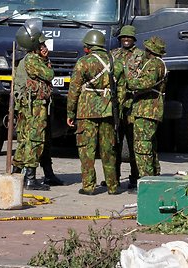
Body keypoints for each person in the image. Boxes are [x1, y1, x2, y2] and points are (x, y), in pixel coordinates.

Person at [66, 29, 124, 195]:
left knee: (86, 150)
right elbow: (121, 89)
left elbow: (74, 90)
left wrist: (70, 113)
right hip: (108, 112)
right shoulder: (115, 62)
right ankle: (113, 186)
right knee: (109, 149)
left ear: (89, 46)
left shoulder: (83, 62)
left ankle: (89, 186)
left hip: (86, 112)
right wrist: (116, 109)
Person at [12, 24, 63, 190]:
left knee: (30, 140)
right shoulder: (33, 60)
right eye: (42, 45)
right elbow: (49, 75)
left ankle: (17, 173)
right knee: (35, 139)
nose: (45, 47)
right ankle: (30, 179)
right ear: (35, 47)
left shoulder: (32, 59)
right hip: (35, 106)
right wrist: (46, 61)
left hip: (36, 105)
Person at [124, 36, 167, 186]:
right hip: (149, 109)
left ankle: (146, 181)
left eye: (147, 49)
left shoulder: (154, 64)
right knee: (150, 145)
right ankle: (154, 175)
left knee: (142, 146)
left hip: (147, 109)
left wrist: (129, 80)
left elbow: (145, 83)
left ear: (150, 50)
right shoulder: (157, 63)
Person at [108, 25, 143, 189]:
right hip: (116, 105)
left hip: (133, 105)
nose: (126, 40)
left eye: (129, 37)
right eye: (123, 37)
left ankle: (135, 177)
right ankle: (113, 177)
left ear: (134, 39)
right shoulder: (114, 54)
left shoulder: (140, 56)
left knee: (133, 143)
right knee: (114, 143)